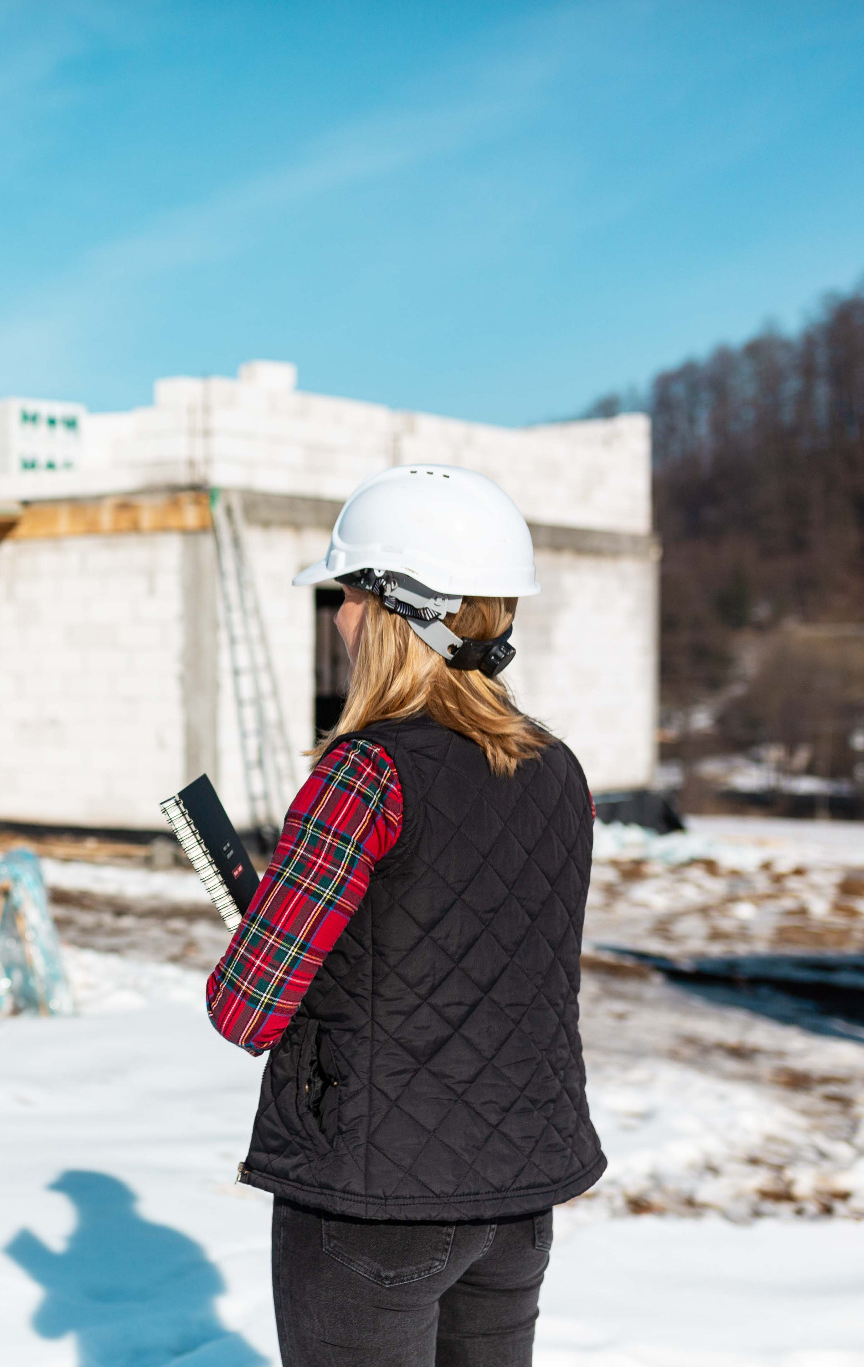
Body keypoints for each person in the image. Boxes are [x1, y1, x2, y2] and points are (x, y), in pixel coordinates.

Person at [205, 464, 603, 1367]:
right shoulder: (560, 770)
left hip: (371, 1205)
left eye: (348, 594)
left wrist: (271, 930)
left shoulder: (364, 772)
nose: (338, 617)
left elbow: (245, 1010)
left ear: (400, 611)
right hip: (517, 1198)